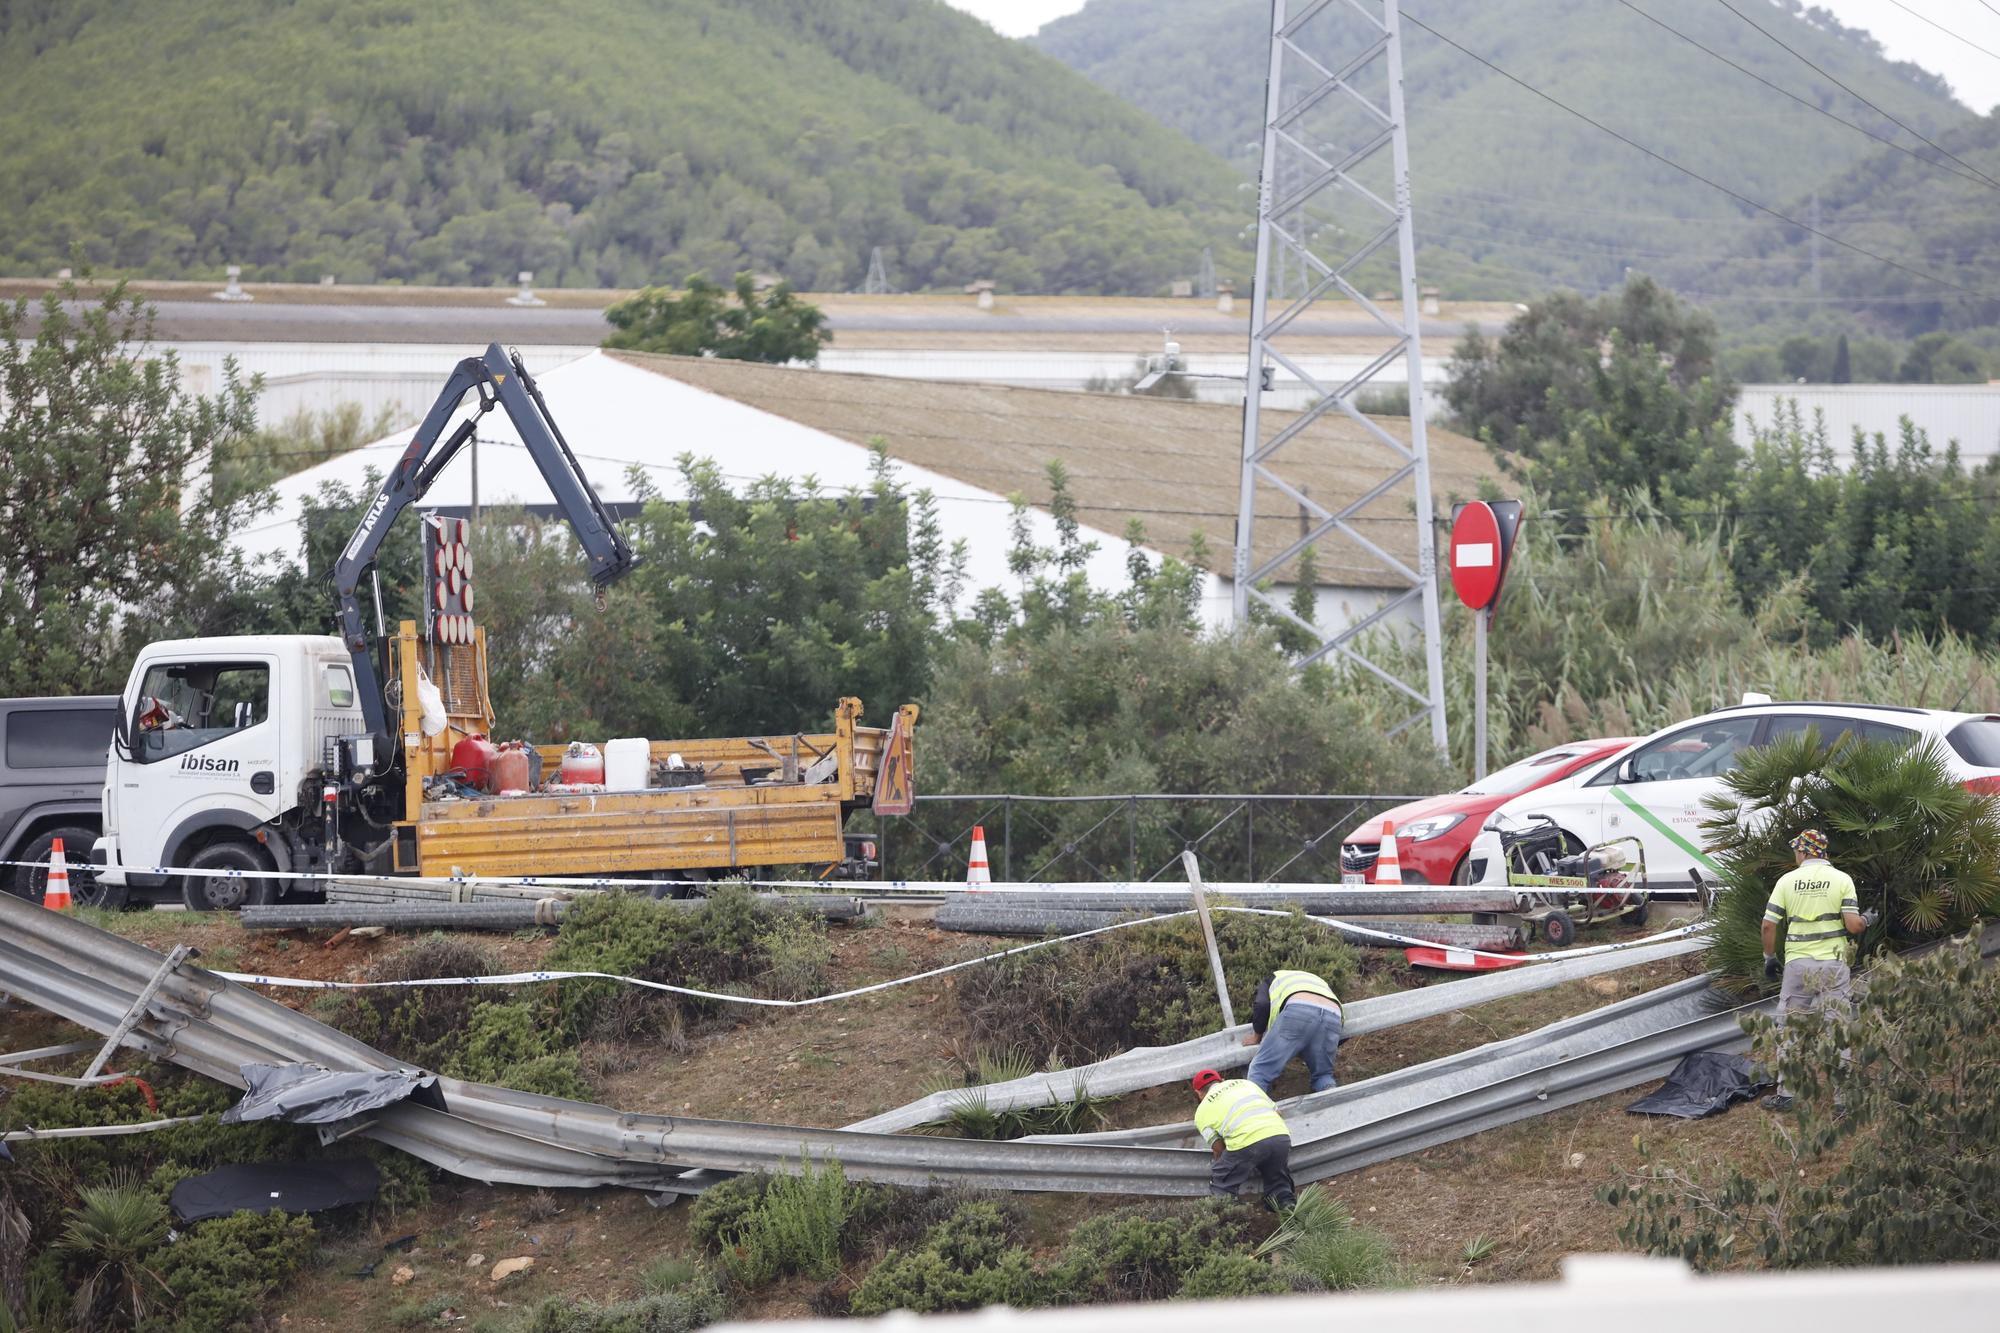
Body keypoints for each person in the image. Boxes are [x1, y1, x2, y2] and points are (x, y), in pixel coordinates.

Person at [1761, 827, 1876, 1112]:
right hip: (1833, 964)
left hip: (1798, 964)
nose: (1795, 854)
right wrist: (1867, 920)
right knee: (1838, 1027)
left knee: (1789, 1029)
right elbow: (1853, 926)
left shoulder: (1787, 881)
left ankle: (1787, 1095)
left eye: (1796, 850)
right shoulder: (1841, 879)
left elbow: (1768, 924)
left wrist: (1769, 957)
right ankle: (1843, 1100)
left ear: (1804, 851)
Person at [1191, 1068, 1295, 1210]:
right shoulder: (1247, 1084)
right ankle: (1289, 1211)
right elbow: (1278, 1112)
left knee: (1222, 1184)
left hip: (1247, 1143)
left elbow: (1219, 1148)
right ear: (1221, 1080)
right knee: (1278, 1182)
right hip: (1279, 1136)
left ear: (1198, 1092)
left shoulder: (1202, 1111)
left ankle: (1231, 1220)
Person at [1242, 968, 1343, 1094]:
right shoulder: (1315, 980)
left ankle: (1257, 1110)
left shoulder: (1271, 980)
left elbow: (1262, 1005)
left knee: (1259, 1072)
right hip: (1333, 1015)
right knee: (1323, 1076)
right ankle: (1335, 1107)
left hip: (1298, 1010)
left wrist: (1257, 1036)